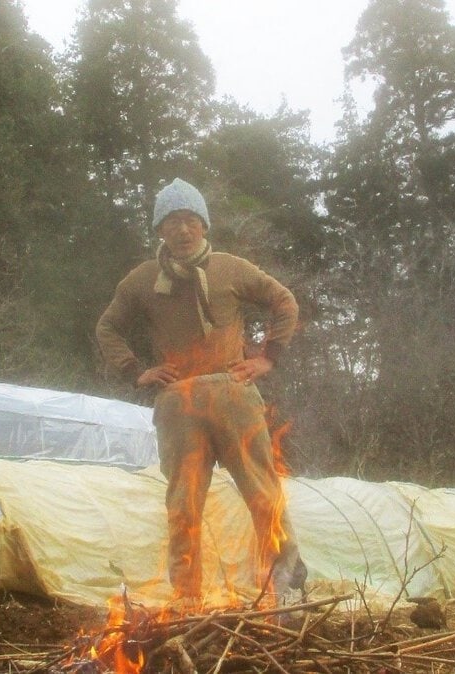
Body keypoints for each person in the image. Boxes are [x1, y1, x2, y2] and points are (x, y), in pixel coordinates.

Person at [96, 178, 306, 609]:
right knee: (184, 505)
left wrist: (268, 356)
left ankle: (286, 587)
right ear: (160, 231)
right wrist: (137, 371)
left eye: (191, 221)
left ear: (204, 226)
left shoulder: (229, 268)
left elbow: (284, 301)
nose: (183, 230)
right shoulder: (142, 279)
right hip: (180, 402)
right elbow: (108, 326)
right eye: (173, 222)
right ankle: (187, 597)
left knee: (263, 494)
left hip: (234, 394)